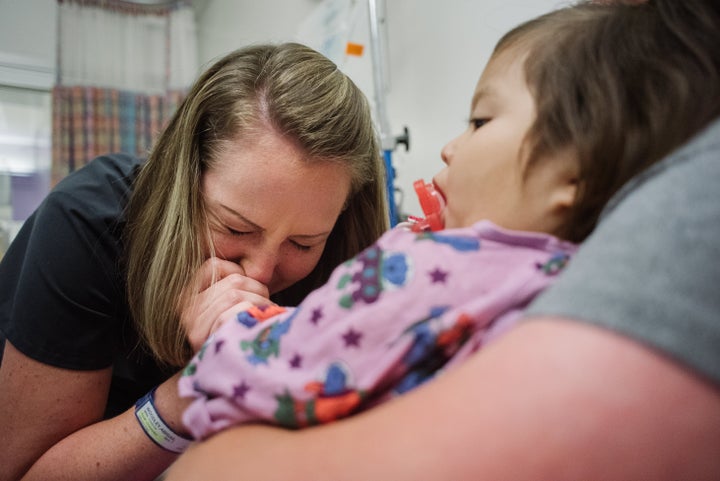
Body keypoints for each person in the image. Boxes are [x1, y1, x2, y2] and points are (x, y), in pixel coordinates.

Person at [164, 0, 720, 479]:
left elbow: (293, 359)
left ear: (570, 179)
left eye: (479, 121)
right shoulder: (565, 269)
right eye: (236, 227)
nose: (452, 147)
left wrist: (225, 329)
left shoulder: (440, 267)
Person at [0, 42, 389, 481]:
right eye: (236, 228)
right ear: (184, 180)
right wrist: (198, 388)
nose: (260, 273)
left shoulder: (343, 269)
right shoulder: (87, 224)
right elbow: (24, 474)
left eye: (302, 243)